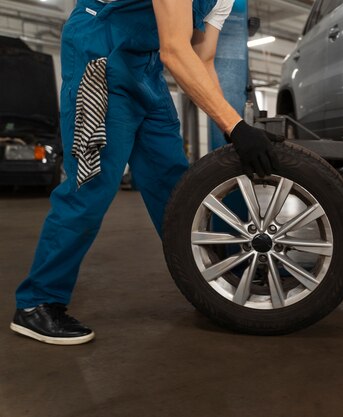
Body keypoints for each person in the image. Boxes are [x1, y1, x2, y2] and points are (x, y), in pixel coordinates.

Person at [10, 0, 279, 345]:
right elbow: (174, 49)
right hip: (100, 50)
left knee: (174, 188)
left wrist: (231, 128)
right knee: (91, 185)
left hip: (146, 68)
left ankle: (211, 285)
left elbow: (203, 58)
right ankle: (37, 302)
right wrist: (236, 126)